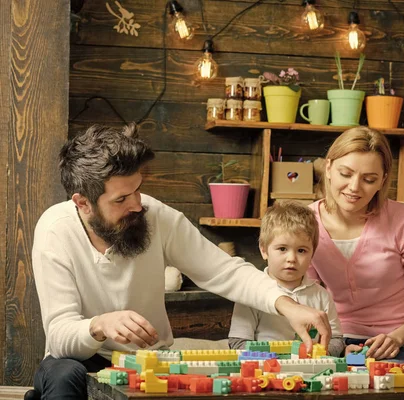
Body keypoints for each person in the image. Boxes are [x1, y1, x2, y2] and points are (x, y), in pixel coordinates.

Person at [28, 124, 331, 400]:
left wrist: (287, 305)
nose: (137, 205)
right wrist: (100, 325)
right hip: (79, 358)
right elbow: (60, 334)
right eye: (121, 199)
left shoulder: (156, 215)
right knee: (63, 375)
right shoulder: (55, 229)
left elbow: (225, 271)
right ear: (83, 203)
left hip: (148, 359)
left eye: (138, 189)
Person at [307, 126, 404, 361]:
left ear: (382, 180)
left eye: (369, 179)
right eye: (345, 174)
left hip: (396, 341)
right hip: (332, 338)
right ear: (328, 169)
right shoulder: (307, 222)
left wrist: (396, 338)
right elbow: (305, 295)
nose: (354, 187)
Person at [228, 202, 345, 357]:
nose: (291, 258)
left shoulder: (322, 295)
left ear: (312, 254)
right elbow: (237, 343)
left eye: (301, 250)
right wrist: (271, 357)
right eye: (282, 249)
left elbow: (336, 339)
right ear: (264, 250)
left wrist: (321, 353)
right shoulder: (250, 295)